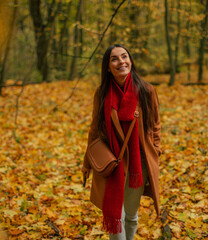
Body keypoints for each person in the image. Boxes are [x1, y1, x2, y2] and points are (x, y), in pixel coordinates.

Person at [82, 44, 161, 240]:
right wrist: (87, 162)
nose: (121, 62)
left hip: (138, 162)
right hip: (112, 160)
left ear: (131, 61)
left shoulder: (146, 90)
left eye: (124, 56)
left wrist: (156, 150)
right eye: (114, 59)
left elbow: (155, 125)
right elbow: (94, 128)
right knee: (115, 214)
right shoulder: (102, 93)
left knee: (131, 215)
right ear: (108, 67)